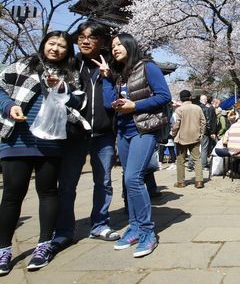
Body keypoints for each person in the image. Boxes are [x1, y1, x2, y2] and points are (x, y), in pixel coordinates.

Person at [0, 31, 89, 275]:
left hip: (51, 142)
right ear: (43, 44)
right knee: (11, 195)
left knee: (48, 193)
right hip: (17, 138)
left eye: (62, 46)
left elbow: (78, 103)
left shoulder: (70, 74)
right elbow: (1, 88)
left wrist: (61, 89)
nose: (56, 49)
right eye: (52, 43)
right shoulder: (22, 65)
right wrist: (10, 106)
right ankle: (3, 250)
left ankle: (43, 245)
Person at [96, 33, 171, 258]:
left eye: (119, 44)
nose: (115, 48)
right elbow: (109, 105)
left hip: (144, 129)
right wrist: (107, 77)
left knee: (133, 178)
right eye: (113, 46)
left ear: (130, 45)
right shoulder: (119, 75)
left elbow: (164, 96)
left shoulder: (148, 67)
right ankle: (135, 227)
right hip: (124, 132)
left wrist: (134, 105)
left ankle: (148, 231)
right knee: (128, 182)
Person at [52, 21, 120, 252]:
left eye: (91, 37)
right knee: (67, 183)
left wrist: (109, 75)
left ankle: (99, 224)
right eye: (81, 36)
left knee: (103, 181)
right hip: (74, 133)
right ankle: (63, 231)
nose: (85, 40)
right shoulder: (69, 63)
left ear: (101, 41)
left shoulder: (112, 64)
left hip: (103, 134)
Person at [171, 90, 206, 188]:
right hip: (195, 137)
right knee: (197, 159)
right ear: (190, 97)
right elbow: (203, 122)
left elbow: (176, 124)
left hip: (181, 138)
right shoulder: (197, 108)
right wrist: (201, 134)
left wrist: (174, 134)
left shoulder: (178, 110)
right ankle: (199, 181)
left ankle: (181, 182)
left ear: (181, 99)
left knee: (180, 160)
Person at [217, 108, 240, 176]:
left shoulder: (232, 126)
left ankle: (235, 171)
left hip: (231, 150)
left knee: (237, 150)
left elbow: (225, 141)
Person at [199, 94, 217, 170]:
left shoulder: (197, 108)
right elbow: (209, 121)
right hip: (205, 131)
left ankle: (190, 164)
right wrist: (212, 132)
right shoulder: (208, 109)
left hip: (196, 130)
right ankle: (204, 165)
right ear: (205, 100)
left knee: (195, 148)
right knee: (204, 148)